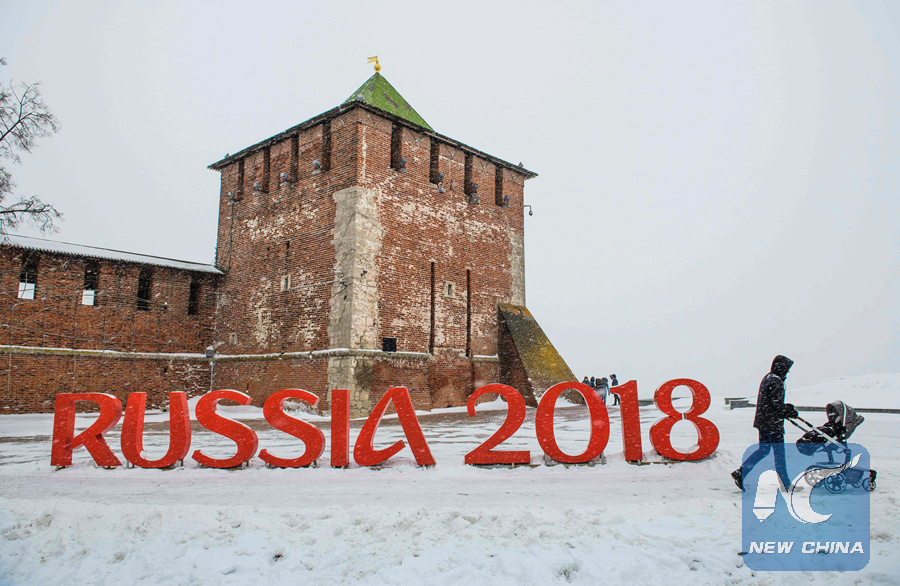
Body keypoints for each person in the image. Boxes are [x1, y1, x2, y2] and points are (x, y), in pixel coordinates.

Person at [731, 355, 799, 491]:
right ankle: (785, 484)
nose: (787, 372)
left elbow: (771, 402)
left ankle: (741, 472)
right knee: (779, 455)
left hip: (763, 422)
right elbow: (777, 404)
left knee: (763, 450)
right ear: (781, 368)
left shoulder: (768, 378)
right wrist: (789, 411)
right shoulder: (776, 381)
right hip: (773, 424)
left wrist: (785, 409)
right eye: (787, 369)